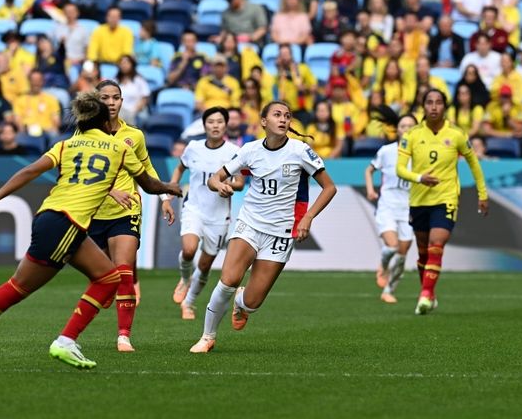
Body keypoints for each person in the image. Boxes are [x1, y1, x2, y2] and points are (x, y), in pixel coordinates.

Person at [0, 91, 182, 372]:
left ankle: (62, 340)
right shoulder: (118, 148)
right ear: (103, 121)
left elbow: (28, 171)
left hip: (52, 217)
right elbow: (148, 184)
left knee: (108, 277)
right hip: (67, 223)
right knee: (19, 287)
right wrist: (169, 188)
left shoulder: (67, 145)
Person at [189, 101, 337, 353]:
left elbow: (329, 188)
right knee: (228, 280)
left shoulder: (301, 151)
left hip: (280, 232)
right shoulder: (250, 150)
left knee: (253, 302)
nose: (283, 119)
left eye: (287, 116)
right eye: (277, 115)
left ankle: (242, 303)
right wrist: (220, 186)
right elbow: (216, 177)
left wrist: (308, 217)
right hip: (250, 223)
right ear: (264, 122)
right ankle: (207, 336)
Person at [87, 79, 175, 352]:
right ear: (96, 102)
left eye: (116, 97)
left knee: (124, 271)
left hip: (127, 212)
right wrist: (110, 190)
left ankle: (124, 335)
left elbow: (146, 168)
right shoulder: (86, 135)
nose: (111, 102)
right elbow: (81, 174)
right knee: (102, 278)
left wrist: (164, 197)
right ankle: (106, 287)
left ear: (122, 101)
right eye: (105, 98)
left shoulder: (134, 136)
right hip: (93, 212)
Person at [396, 89, 488, 315]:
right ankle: (429, 292)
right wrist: (419, 178)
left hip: (446, 198)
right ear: (423, 106)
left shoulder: (456, 134)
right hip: (418, 200)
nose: (434, 107)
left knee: (437, 245)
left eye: (438, 102)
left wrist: (482, 193)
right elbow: (399, 169)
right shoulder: (412, 135)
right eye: (429, 102)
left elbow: (473, 163)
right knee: (423, 253)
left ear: (445, 107)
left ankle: (425, 295)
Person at [169, 107, 243, 320]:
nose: (215, 125)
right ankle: (184, 279)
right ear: (204, 125)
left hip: (219, 216)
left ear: (225, 125)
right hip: (194, 208)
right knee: (189, 249)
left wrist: (229, 186)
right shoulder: (193, 147)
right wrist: (172, 189)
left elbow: (240, 181)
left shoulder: (233, 151)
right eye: (211, 122)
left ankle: (189, 304)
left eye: (220, 121)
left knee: (205, 265)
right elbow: (180, 168)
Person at [365, 114, 417, 304]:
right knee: (392, 246)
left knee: (402, 255)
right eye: (403, 126)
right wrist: (371, 190)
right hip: (387, 205)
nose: (406, 129)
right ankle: (383, 265)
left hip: (409, 208)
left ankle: (388, 290)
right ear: (398, 130)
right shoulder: (387, 151)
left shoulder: (420, 154)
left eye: (411, 126)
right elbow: (369, 170)